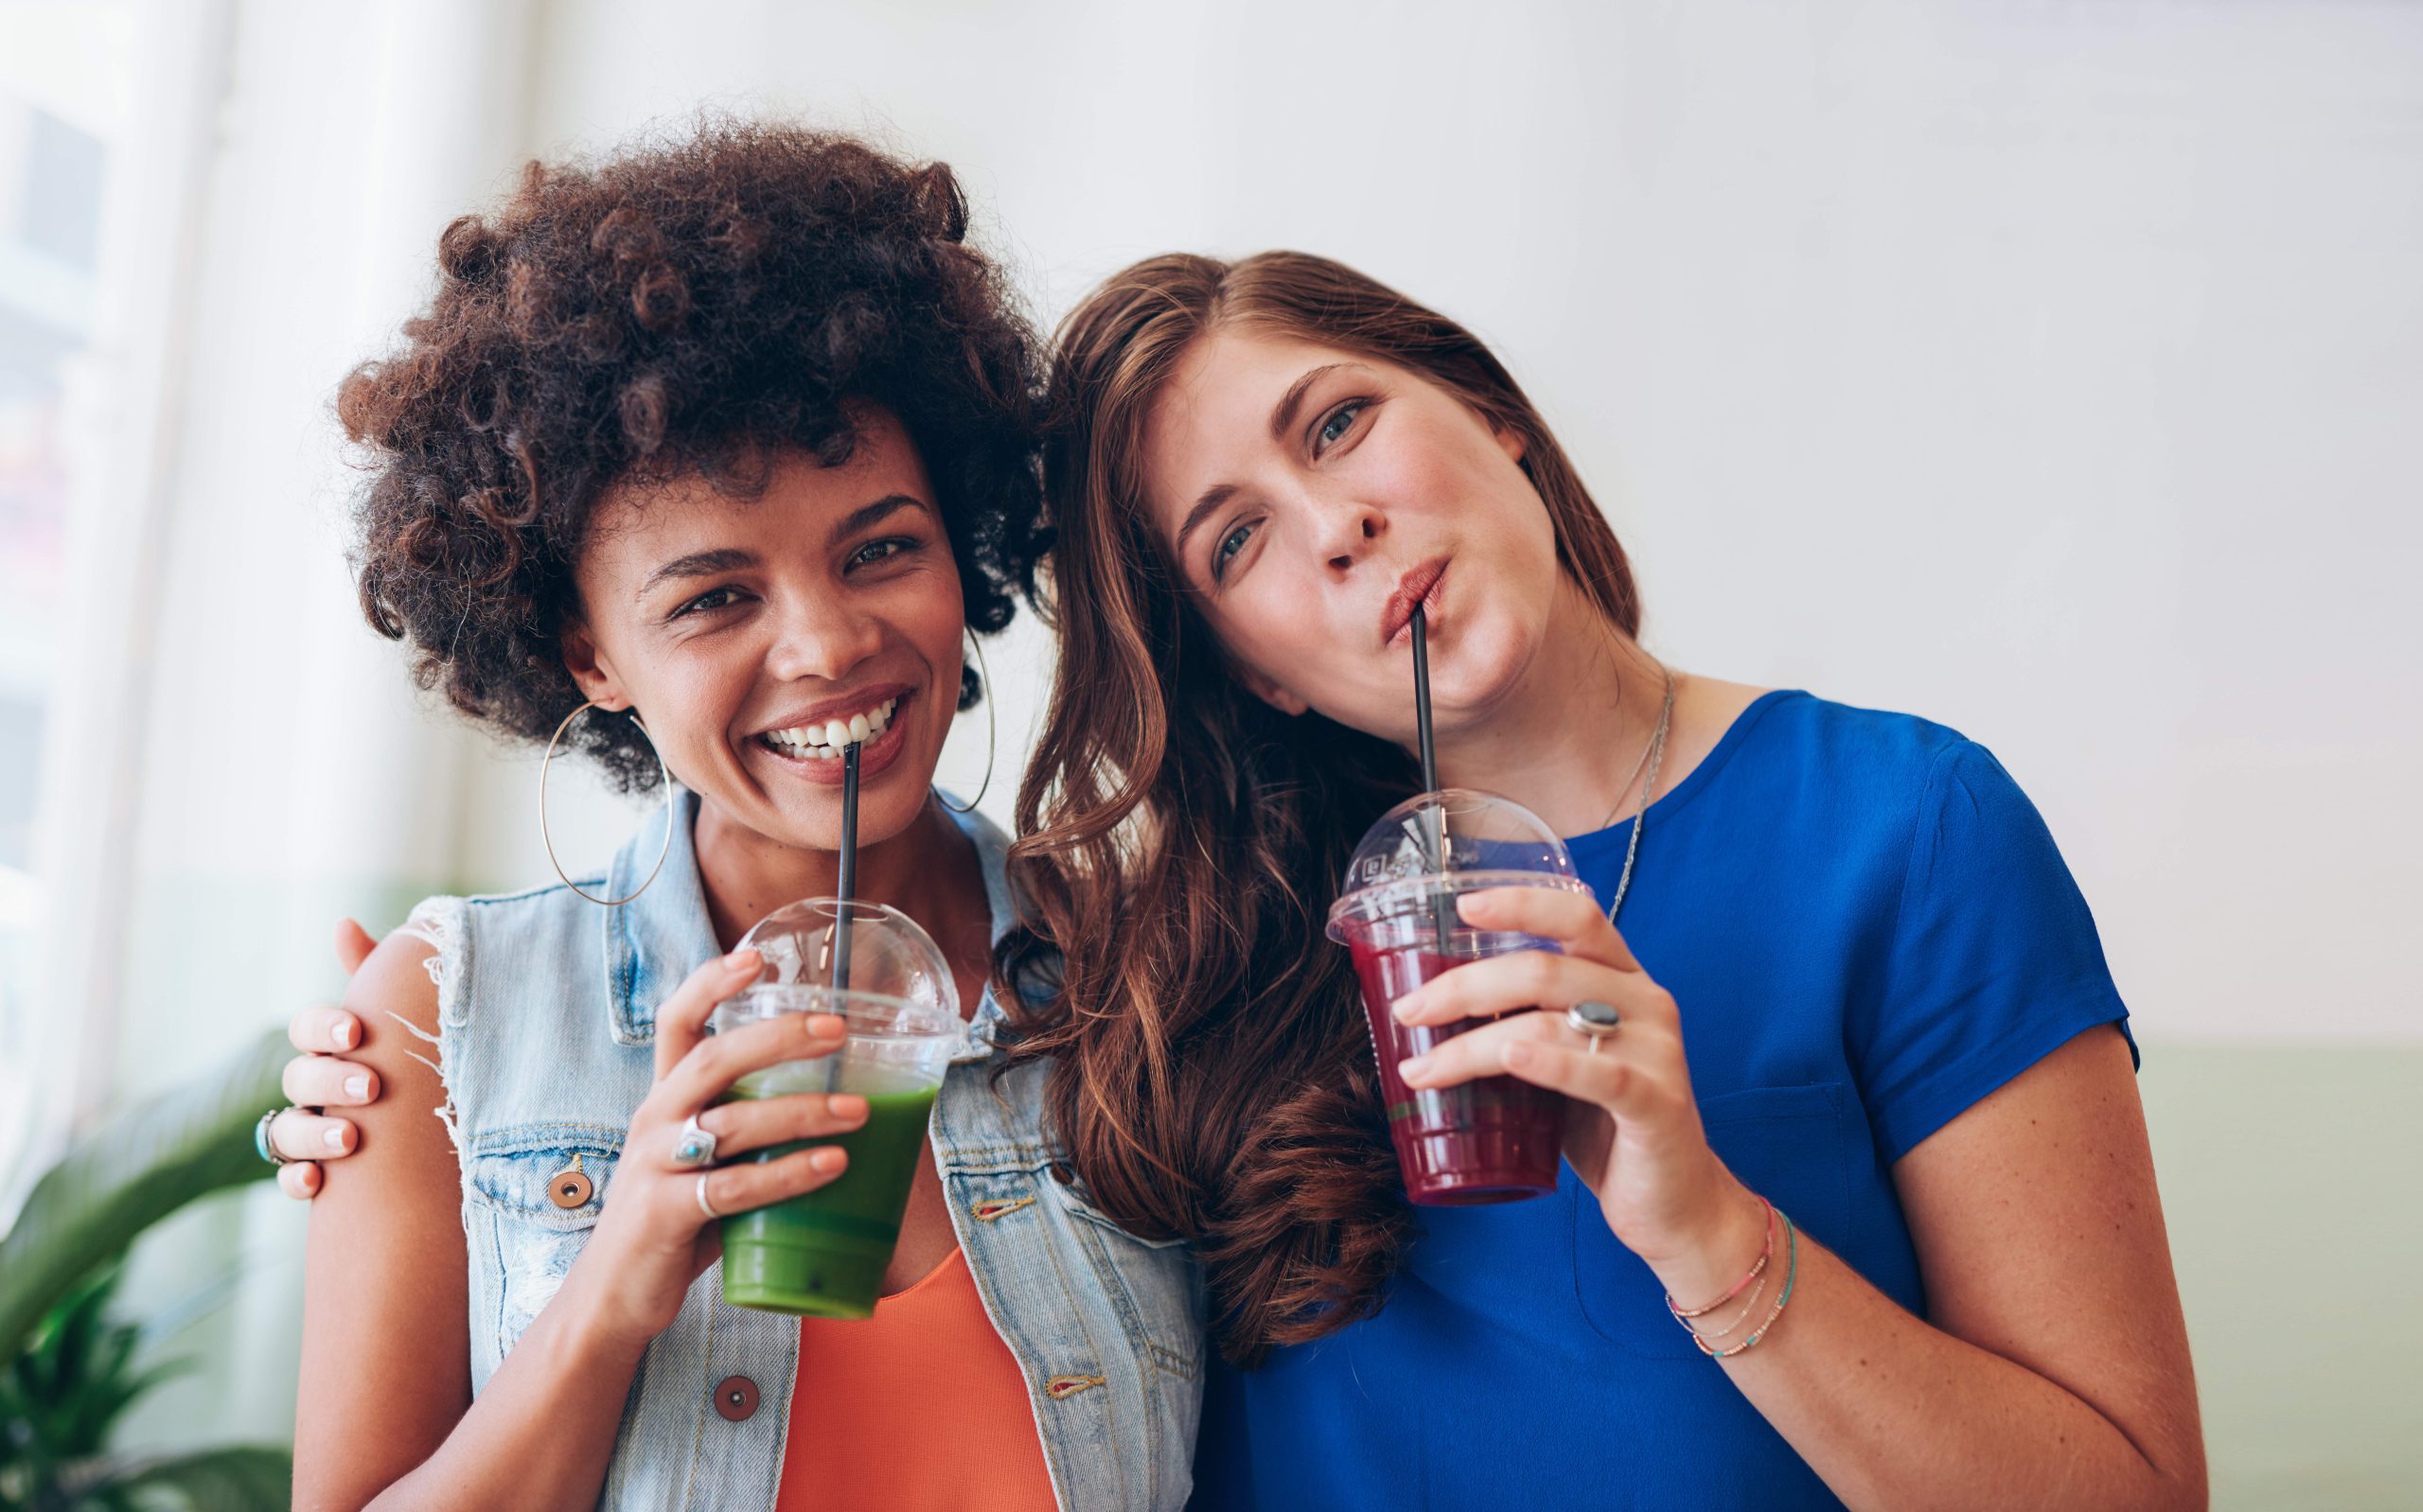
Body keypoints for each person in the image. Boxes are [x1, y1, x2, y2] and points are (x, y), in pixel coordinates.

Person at [280, 250, 2205, 1508]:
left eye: (1344, 420)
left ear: (1491, 412)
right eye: (1234, 538)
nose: (822, 646)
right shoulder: (1177, 940)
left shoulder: (1155, 964)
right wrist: (533, 1208)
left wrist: (1701, 1226)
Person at [284, 125, 1199, 1512]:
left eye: (881, 546)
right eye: (715, 596)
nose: (830, 643)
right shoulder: (442, 1022)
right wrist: (618, 1279)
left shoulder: (1147, 972)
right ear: (588, 653)